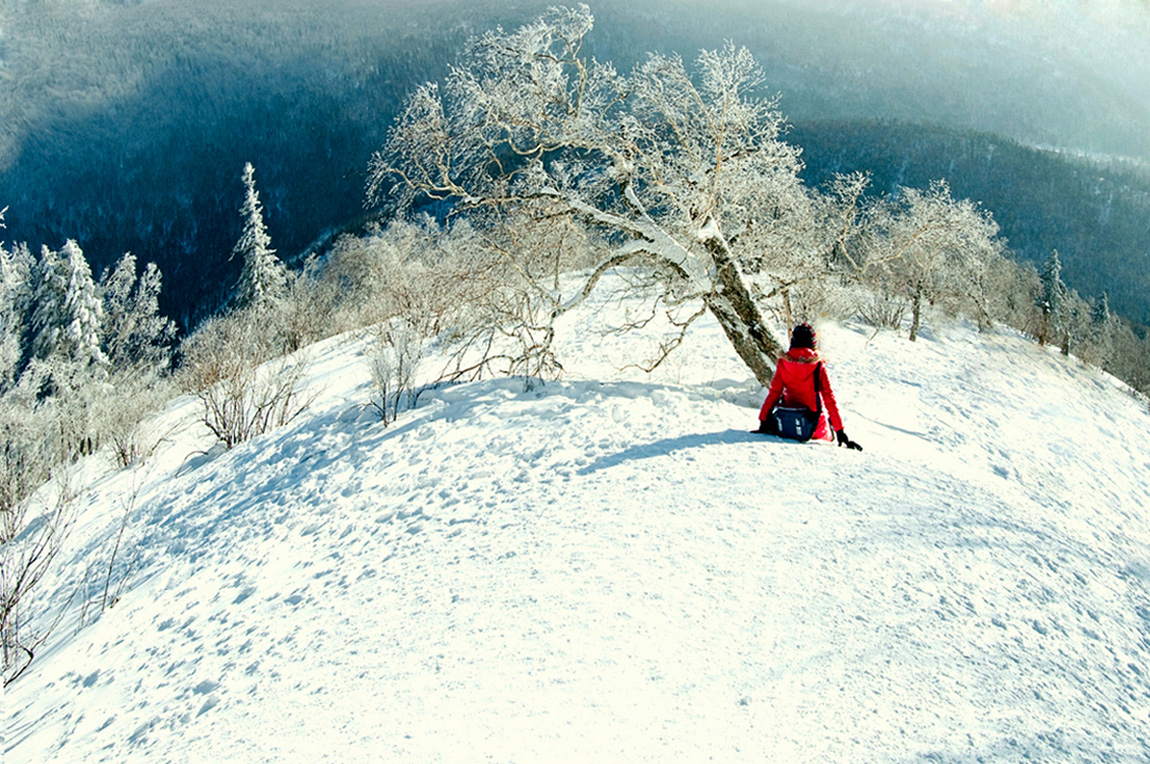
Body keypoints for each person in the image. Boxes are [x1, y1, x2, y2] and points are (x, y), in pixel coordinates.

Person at [755, 323, 862, 450]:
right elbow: (829, 399)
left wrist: (763, 421)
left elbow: (774, 394)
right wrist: (840, 432)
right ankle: (833, 430)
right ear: (813, 342)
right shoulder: (817, 366)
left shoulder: (784, 363)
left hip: (789, 424)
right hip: (814, 427)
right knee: (828, 430)